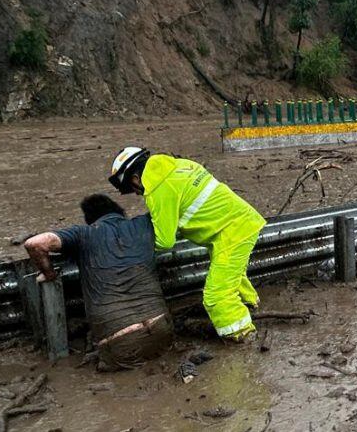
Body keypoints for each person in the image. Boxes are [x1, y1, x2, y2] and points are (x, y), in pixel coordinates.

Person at [108, 147, 266, 341]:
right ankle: (250, 305)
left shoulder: (158, 189)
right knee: (232, 274)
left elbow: (165, 241)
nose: (138, 194)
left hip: (232, 233)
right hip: (238, 223)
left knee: (216, 296)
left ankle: (242, 336)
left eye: (133, 190)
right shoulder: (180, 165)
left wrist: (133, 245)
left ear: (134, 179)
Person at [23, 195, 172, 371]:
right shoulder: (144, 223)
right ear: (121, 212)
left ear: (89, 220)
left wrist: (49, 274)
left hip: (122, 342)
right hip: (163, 329)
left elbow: (35, 243)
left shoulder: (83, 234)